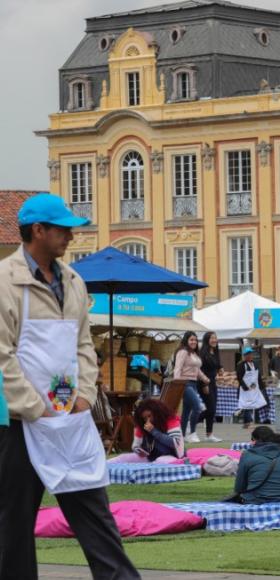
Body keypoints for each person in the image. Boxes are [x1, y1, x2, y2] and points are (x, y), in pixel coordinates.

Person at [0, 194, 139, 579]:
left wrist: (84, 396)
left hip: (67, 417)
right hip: (16, 423)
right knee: (12, 523)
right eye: (62, 229)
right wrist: (34, 407)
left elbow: (83, 345)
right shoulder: (4, 281)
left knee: (94, 512)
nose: (71, 237)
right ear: (38, 231)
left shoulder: (73, 281)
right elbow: (2, 356)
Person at [233, 426, 280, 505]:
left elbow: (239, 488)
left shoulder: (247, 455)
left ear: (256, 440)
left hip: (257, 503)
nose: (251, 442)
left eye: (252, 439)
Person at [109, 399, 184, 464]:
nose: (148, 420)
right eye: (145, 418)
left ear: (156, 412)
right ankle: (102, 466)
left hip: (171, 455)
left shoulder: (171, 419)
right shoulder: (142, 425)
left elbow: (175, 443)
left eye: (149, 416)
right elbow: (135, 445)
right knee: (123, 457)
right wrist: (139, 450)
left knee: (160, 461)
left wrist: (154, 431)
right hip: (150, 456)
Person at [174, 331, 210, 443]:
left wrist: (205, 379)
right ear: (186, 340)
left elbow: (197, 370)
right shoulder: (183, 352)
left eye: (195, 340)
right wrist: (177, 382)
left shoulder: (194, 354)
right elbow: (178, 368)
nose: (194, 342)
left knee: (186, 411)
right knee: (197, 406)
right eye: (191, 340)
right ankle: (192, 433)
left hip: (193, 383)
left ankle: (182, 435)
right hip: (184, 383)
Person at [198, 331, 222, 442]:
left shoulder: (215, 351)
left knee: (212, 409)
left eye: (215, 338)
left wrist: (220, 368)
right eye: (212, 338)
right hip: (204, 382)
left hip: (213, 382)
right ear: (207, 340)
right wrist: (204, 384)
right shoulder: (203, 353)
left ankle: (209, 434)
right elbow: (200, 370)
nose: (214, 340)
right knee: (210, 408)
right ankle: (191, 422)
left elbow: (217, 364)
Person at [236, 347, 266, 428]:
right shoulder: (241, 365)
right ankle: (247, 422)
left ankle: (250, 422)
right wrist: (246, 387)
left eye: (251, 354)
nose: (250, 355)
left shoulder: (255, 364)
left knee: (254, 404)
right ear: (244, 355)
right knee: (246, 405)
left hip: (254, 388)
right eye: (248, 354)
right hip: (245, 389)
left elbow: (258, 376)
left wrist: (262, 386)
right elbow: (239, 377)